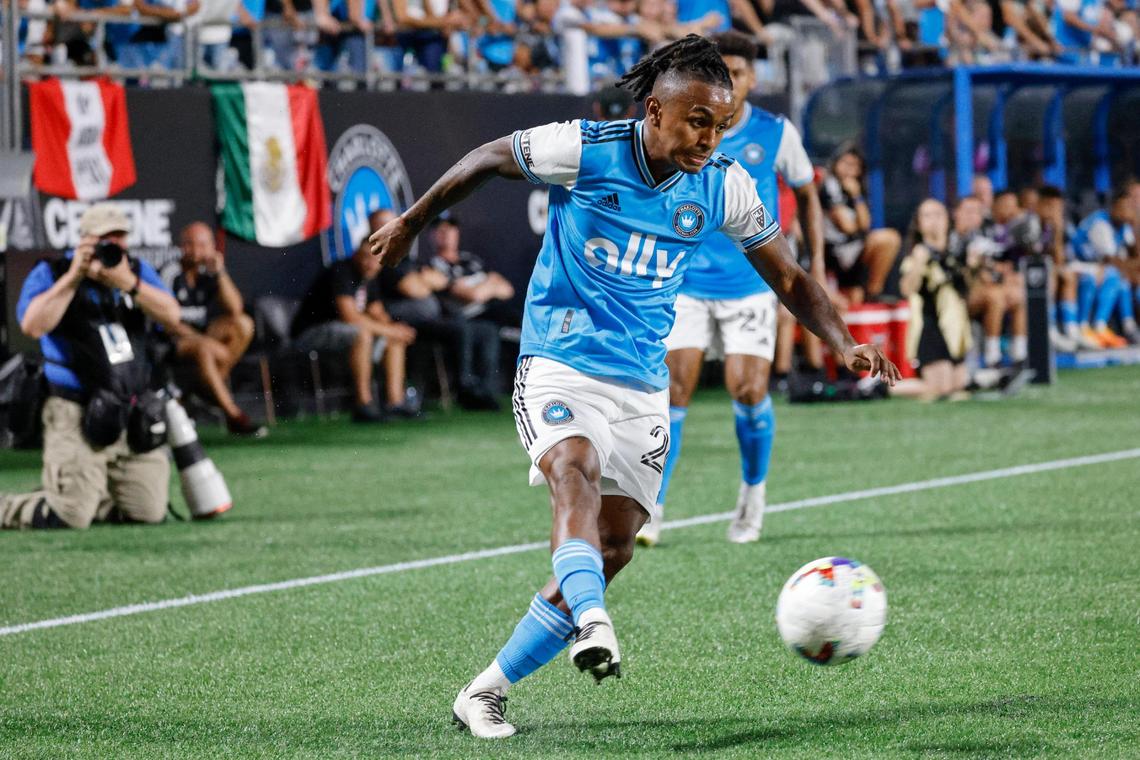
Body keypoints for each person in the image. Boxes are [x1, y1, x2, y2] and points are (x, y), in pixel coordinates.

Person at [369, 35, 898, 739]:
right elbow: (486, 160)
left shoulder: (724, 183)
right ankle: (593, 619)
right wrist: (412, 219)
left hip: (641, 384)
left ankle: (485, 691)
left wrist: (844, 342)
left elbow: (792, 278)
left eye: (722, 121)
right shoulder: (584, 149)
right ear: (655, 110)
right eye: (697, 121)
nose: (710, 137)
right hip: (559, 359)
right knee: (573, 472)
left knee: (615, 544)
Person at [637, 30, 825, 548]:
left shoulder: (775, 132)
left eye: (739, 73)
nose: (731, 81)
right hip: (688, 281)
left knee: (748, 389)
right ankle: (653, 507)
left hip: (749, 284)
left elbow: (808, 194)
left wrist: (816, 264)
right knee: (673, 391)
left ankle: (752, 496)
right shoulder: (684, 129)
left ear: (752, 77)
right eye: (723, 72)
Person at [0, 204, 182, 529]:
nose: (113, 246)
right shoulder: (53, 272)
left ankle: (79, 492)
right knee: (70, 516)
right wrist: (74, 277)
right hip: (74, 408)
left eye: (120, 237)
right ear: (84, 241)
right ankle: (16, 507)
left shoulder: (134, 271)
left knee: (148, 513)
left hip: (130, 408)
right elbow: (32, 327)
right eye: (104, 239)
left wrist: (129, 283)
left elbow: (172, 316)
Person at [371, 208, 503, 410]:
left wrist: (429, 283)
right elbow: (417, 289)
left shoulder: (407, 258)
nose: (390, 229)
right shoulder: (380, 258)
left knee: (486, 330)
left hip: (433, 318)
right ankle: (464, 387)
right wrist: (428, 283)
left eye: (392, 224)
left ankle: (486, 390)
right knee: (460, 326)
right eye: (384, 224)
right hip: (407, 322)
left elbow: (431, 283)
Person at [291, 237, 419, 422]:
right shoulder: (342, 271)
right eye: (366, 257)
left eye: (375, 259)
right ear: (356, 255)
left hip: (344, 335)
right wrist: (390, 330)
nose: (370, 263)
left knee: (394, 338)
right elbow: (349, 316)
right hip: (310, 333)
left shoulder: (369, 278)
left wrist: (395, 329)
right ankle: (363, 404)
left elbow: (377, 312)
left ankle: (395, 403)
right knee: (362, 334)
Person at [163, 222, 264, 436]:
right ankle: (233, 415)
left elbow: (235, 308)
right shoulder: (170, 272)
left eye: (202, 245)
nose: (196, 251)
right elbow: (166, 319)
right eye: (189, 244)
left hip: (205, 336)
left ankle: (202, 388)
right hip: (173, 339)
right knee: (205, 349)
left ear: (212, 247)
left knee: (243, 324)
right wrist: (201, 340)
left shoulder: (209, 273)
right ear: (181, 246)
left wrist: (220, 273)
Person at [891, 198, 972, 400]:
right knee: (939, 389)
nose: (934, 220)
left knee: (959, 385)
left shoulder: (956, 253)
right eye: (927, 216)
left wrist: (973, 268)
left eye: (939, 214)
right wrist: (919, 262)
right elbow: (907, 289)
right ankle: (883, 387)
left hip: (954, 328)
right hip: (930, 326)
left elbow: (966, 291)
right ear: (918, 223)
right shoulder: (917, 252)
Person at [820, 143, 901, 304]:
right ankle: (866, 291)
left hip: (853, 251)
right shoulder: (829, 185)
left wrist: (857, 196)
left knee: (890, 239)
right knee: (885, 238)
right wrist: (856, 222)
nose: (850, 169)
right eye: (846, 163)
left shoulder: (856, 189)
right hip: (831, 252)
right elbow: (847, 227)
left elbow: (864, 225)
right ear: (836, 163)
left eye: (855, 165)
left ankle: (873, 292)